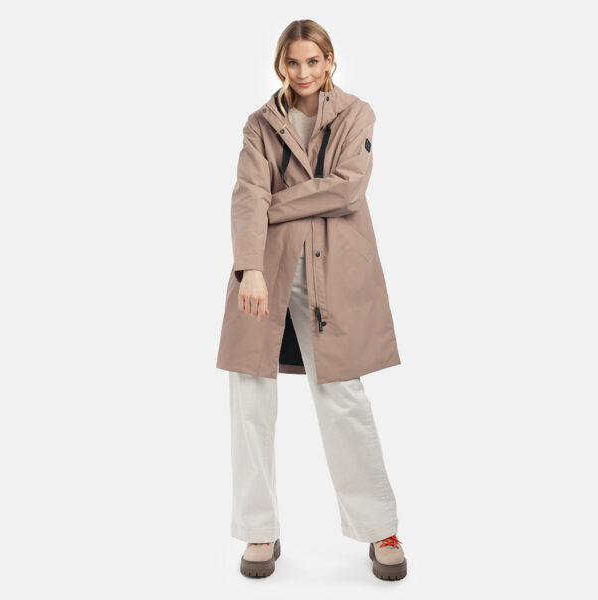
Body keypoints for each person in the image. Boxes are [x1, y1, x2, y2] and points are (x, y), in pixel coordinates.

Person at [216, 19, 407, 581]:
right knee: (250, 396)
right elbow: (247, 195)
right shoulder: (259, 124)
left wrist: (274, 204)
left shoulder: (356, 114)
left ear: (329, 61)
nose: (303, 73)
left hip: (334, 276)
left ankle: (379, 527)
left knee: (343, 396)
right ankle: (259, 528)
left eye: (313, 61)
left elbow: (348, 188)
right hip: (266, 271)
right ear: (281, 64)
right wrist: (250, 269)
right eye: (293, 62)